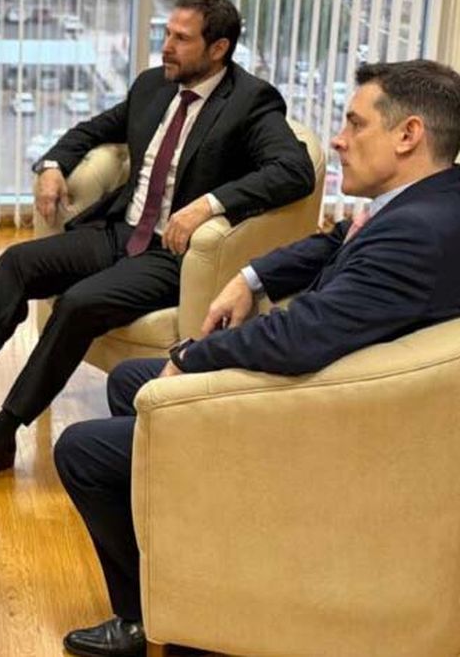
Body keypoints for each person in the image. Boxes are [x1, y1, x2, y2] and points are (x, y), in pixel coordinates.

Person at [54, 59, 460, 657]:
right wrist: (250, 276)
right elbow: (335, 243)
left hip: (319, 423)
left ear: (408, 135)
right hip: (337, 387)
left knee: (82, 450)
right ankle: (194, 569)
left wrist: (194, 356)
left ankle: (147, 619)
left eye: (354, 123)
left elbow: (301, 337)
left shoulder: (415, 235)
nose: (339, 140)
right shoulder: (428, 203)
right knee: (130, 381)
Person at [0, 0, 316, 481]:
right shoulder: (153, 86)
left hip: (171, 255)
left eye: (180, 38)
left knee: (79, 304)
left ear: (219, 49)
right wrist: (51, 165)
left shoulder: (251, 101)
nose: (166, 47)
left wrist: (209, 205)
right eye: (166, 34)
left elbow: (294, 170)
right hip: (119, 231)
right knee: (17, 263)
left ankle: (0, 435)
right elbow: (90, 130)